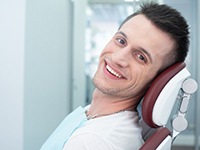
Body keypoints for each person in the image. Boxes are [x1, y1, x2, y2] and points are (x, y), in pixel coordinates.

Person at [41, 2, 189, 150]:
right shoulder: (93, 114)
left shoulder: (91, 142)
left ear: (157, 81)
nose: (118, 58)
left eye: (141, 57)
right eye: (121, 41)